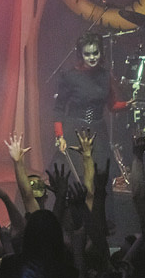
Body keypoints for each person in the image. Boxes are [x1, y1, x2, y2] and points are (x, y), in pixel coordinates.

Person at [51, 32, 126, 179]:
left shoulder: (106, 75)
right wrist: (59, 136)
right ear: (81, 55)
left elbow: (112, 105)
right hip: (74, 131)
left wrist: (128, 104)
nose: (92, 57)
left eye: (95, 53)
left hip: (98, 132)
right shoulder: (70, 76)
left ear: (100, 52)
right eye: (87, 54)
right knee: (75, 178)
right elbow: (58, 109)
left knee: (101, 178)